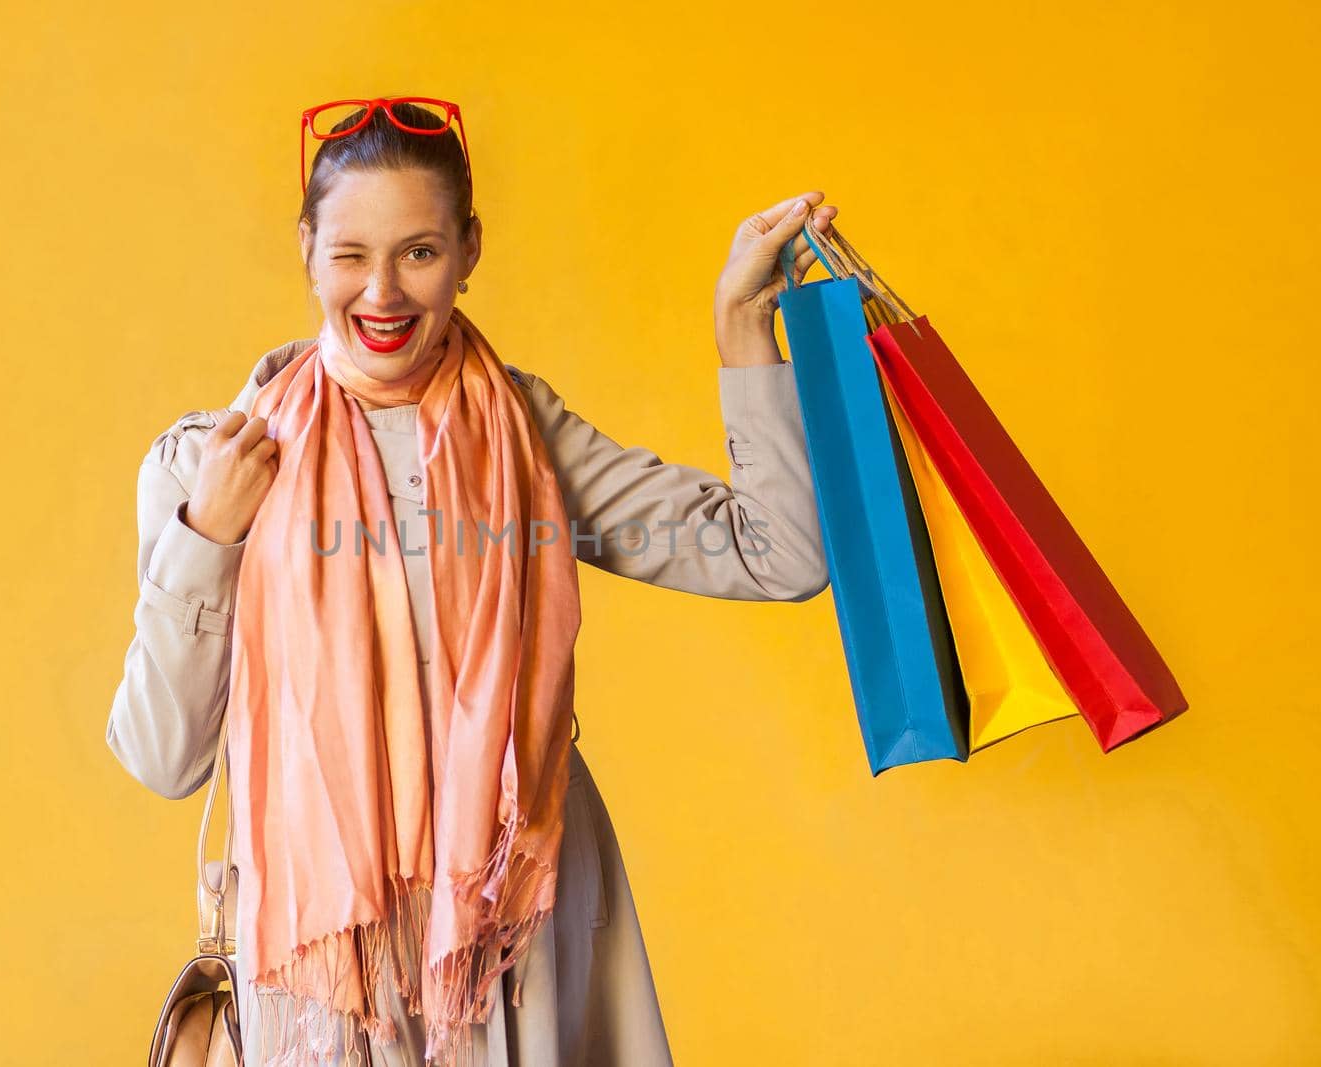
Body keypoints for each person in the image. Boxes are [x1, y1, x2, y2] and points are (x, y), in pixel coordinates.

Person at [106, 97, 837, 1067]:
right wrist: (209, 533)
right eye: (350, 253)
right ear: (305, 250)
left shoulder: (525, 442)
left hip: (516, 926)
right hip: (319, 961)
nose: (382, 292)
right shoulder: (209, 462)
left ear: (468, 249)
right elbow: (163, 757)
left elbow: (778, 552)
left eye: (418, 251)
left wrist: (742, 326)